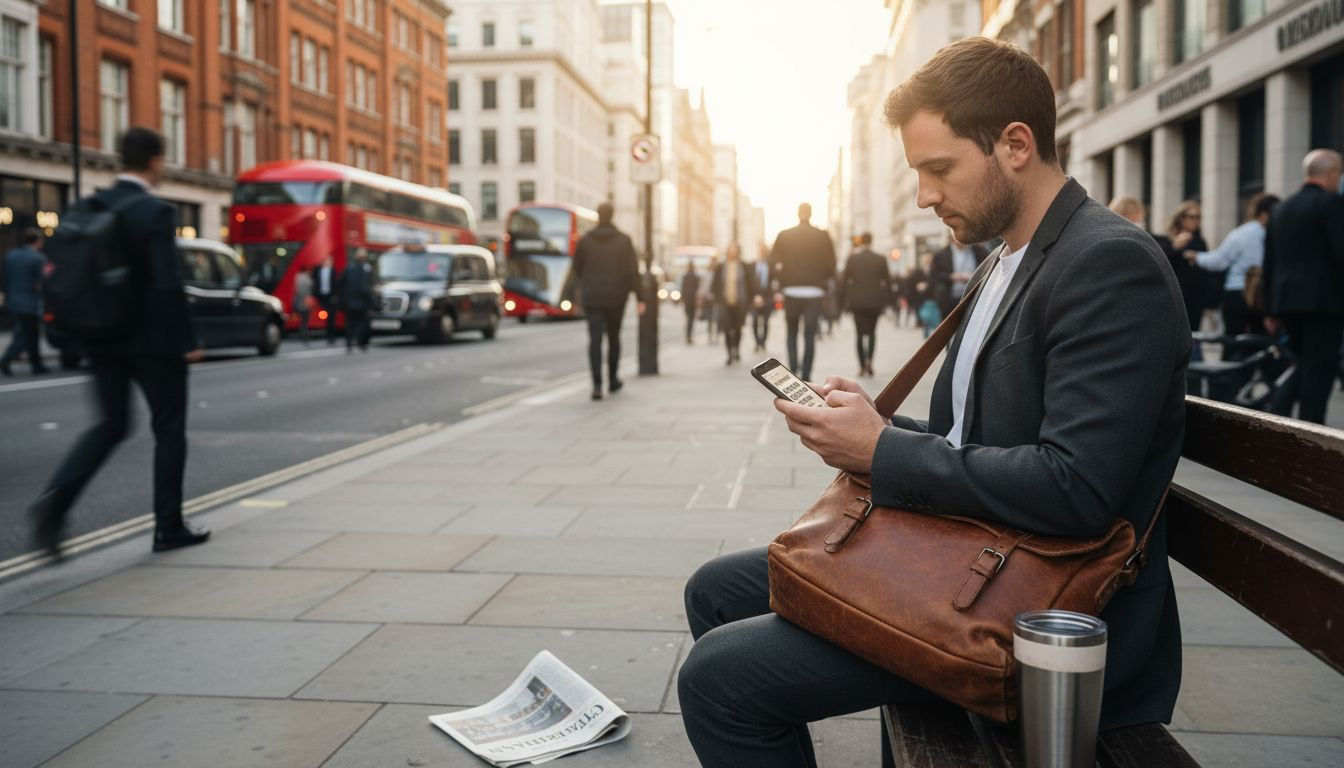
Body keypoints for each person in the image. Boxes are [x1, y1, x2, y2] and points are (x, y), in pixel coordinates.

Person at [677, 37, 1188, 768]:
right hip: (980, 552)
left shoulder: (1108, 263)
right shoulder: (1006, 257)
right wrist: (876, 425)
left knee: (718, 679)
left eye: (939, 168)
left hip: (1043, 611)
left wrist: (881, 450)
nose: (924, 194)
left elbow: (1077, 488)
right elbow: (971, 434)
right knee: (716, 590)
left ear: (1016, 145)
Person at [29, 127, 210, 558]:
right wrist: (188, 340)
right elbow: (167, 284)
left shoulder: (88, 205)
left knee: (110, 425)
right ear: (155, 161)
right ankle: (168, 527)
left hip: (100, 334)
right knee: (169, 429)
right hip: (153, 342)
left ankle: (56, 503)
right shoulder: (155, 212)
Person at [1263, 149, 1344, 425]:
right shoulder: (1332, 203)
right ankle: (1311, 428)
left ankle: (1281, 417)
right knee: (1318, 370)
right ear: (1331, 173)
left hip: (1286, 302)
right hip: (1323, 302)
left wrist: (1270, 309)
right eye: (1339, 173)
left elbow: (1269, 262)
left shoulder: (1281, 209)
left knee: (1304, 365)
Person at [572, 202, 644, 400]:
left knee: (594, 341)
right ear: (612, 215)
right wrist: (640, 298)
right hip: (616, 297)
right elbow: (632, 271)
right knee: (614, 338)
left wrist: (579, 292)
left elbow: (576, 269)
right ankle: (612, 379)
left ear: (598, 215)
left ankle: (596, 386)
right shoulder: (624, 240)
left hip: (592, 297)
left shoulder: (585, 240)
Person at [1184, 193, 1279, 338]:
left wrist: (1196, 257)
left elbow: (1219, 261)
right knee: (1261, 340)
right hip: (1264, 294)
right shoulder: (1278, 233)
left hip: (1237, 291)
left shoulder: (1242, 233)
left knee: (1233, 340)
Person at [770, 203, 837, 381]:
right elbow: (832, 263)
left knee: (791, 332)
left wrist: (781, 279)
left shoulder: (784, 235)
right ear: (811, 214)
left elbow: (772, 260)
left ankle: (793, 369)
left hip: (791, 290)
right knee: (810, 335)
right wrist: (823, 279)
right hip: (814, 291)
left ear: (798, 213)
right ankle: (806, 373)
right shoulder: (822, 236)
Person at [1155, 200, 1210, 336]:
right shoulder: (1167, 240)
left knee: (1193, 332)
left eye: (1198, 217)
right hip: (1173, 293)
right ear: (1181, 218)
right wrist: (1175, 247)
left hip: (1194, 295)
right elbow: (1162, 261)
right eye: (1192, 217)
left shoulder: (1199, 241)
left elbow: (1204, 267)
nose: (1195, 221)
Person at [0, 228, 50, 376]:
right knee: (28, 334)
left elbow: (5, 278)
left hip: (13, 300)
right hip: (30, 302)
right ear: (38, 241)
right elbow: (42, 281)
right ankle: (7, 361)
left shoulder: (11, 255)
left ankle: (35, 363)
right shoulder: (38, 258)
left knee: (24, 333)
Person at [840, 232, 891, 376]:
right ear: (872, 241)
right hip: (875, 301)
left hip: (857, 302)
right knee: (872, 333)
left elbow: (845, 281)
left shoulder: (853, 258)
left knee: (859, 334)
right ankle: (870, 362)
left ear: (861, 241)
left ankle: (862, 365)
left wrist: (843, 302)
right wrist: (887, 301)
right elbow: (887, 281)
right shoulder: (880, 258)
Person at [710, 243, 757, 365]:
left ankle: (736, 349)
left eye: (734, 250)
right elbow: (715, 284)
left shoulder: (744, 266)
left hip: (741, 302)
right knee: (727, 328)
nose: (732, 252)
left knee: (737, 328)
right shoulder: (721, 266)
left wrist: (753, 298)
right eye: (730, 250)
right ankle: (729, 354)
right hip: (724, 302)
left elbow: (751, 284)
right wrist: (715, 298)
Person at [930, 235, 989, 315]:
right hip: (949, 299)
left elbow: (988, 268)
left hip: (975, 297)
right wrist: (950, 276)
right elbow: (934, 275)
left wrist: (974, 276)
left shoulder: (979, 251)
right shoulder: (941, 254)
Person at [340, 248, 374, 352]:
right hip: (361, 303)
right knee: (361, 324)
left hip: (349, 303)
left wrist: (344, 300)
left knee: (349, 324)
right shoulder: (364, 270)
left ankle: (349, 344)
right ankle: (360, 343)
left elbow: (341, 284)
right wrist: (370, 299)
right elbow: (365, 288)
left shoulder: (348, 269)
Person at [750, 245, 774, 352]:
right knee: (755, 321)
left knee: (765, 322)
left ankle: (763, 342)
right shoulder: (752, 265)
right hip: (754, 298)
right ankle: (757, 342)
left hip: (767, 297)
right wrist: (754, 296)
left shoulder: (770, 266)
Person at [312, 255, 339, 344]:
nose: (328, 262)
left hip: (331, 297)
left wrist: (335, 296)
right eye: (326, 261)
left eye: (329, 261)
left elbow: (336, 284)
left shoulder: (333, 271)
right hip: (322, 297)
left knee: (332, 318)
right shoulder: (319, 271)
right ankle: (328, 336)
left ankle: (332, 337)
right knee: (325, 317)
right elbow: (315, 282)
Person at [292, 267, 314, 346]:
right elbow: (312, 288)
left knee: (302, 320)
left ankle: (302, 334)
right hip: (307, 302)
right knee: (305, 320)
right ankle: (306, 335)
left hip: (300, 302)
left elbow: (296, 290)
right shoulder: (308, 279)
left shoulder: (297, 277)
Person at [681, 263, 701, 344]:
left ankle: (688, 335)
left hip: (687, 300)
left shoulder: (685, 276)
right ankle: (689, 336)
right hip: (693, 300)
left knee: (688, 318)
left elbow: (683, 288)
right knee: (691, 319)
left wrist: (683, 299)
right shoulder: (696, 277)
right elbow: (698, 289)